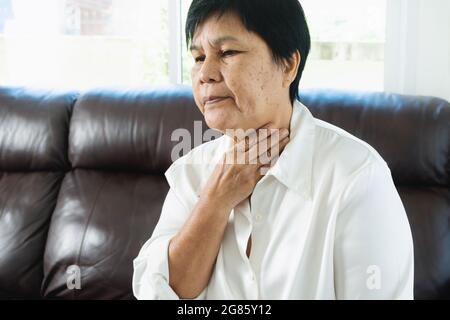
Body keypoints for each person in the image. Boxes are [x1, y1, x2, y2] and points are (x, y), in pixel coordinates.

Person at [133, 0, 414, 300]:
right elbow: (158, 292)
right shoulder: (192, 170)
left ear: (289, 65)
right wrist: (215, 201)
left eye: (227, 52)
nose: (206, 74)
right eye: (199, 57)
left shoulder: (357, 177)